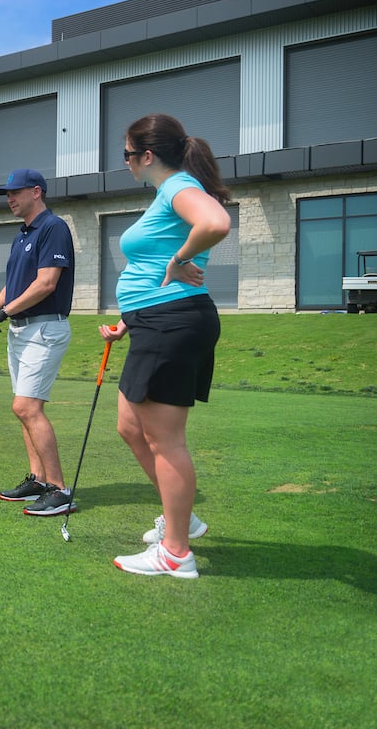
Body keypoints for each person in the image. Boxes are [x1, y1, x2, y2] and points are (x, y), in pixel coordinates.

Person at [102, 114, 232, 579]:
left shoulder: (179, 186)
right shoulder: (168, 193)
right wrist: (125, 321)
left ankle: (176, 553)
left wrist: (179, 262)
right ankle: (182, 519)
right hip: (154, 322)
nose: (127, 164)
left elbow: (216, 222)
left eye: (128, 155)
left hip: (172, 322)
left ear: (147, 156)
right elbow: (151, 268)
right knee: (129, 426)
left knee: (165, 440)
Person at [0, 168, 76, 517]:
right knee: (24, 409)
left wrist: (5, 310)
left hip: (45, 328)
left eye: (15, 192)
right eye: (7, 194)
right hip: (21, 330)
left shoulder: (53, 228)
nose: (10, 199)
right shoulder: (22, 235)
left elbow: (47, 283)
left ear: (36, 192)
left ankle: (61, 490)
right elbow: (16, 284)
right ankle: (38, 479)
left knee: (26, 407)